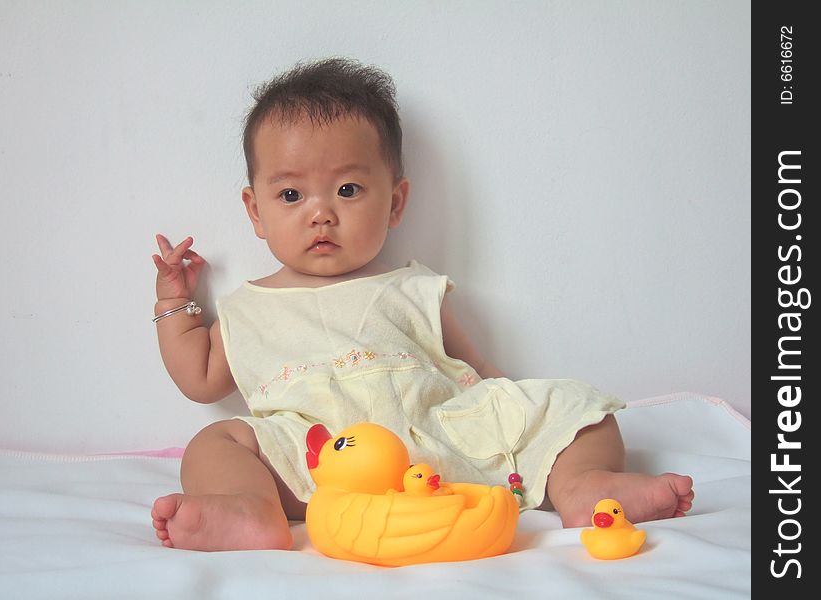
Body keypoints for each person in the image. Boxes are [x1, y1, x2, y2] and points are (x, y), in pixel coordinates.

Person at [150, 58, 693, 552]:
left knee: (576, 408)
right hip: (321, 456)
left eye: (348, 190)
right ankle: (253, 511)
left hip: (436, 442)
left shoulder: (412, 287)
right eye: (291, 195)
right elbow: (200, 377)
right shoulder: (250, 308)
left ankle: (584, 486)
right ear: (256, 211)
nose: (321, 214)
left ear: (395, 202)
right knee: (215, 442)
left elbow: (476, 369)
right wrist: (175, 300)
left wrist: (521, 413)